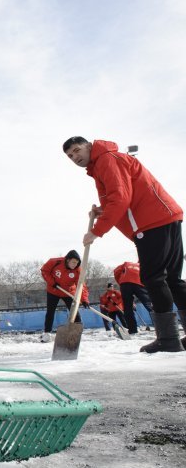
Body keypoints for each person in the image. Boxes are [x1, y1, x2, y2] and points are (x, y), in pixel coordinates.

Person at [64, 136, 185, 353]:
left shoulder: (106, 160)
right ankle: (172, 337)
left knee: (154, 278)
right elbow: (124, 197)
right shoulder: (108, 160)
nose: (74, 157)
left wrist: (96, 231)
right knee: (173, 280)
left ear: (89, 146)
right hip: (165, 217)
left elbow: (121, 198)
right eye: (70, 156)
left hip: (151, 222)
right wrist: (103, 210)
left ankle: (168, 339)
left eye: (76, 150)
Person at [39, 250, 84, 343]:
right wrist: (52, 283)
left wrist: (84, 299)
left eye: (77, 263)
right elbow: (44, 271)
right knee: (50, 311)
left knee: (74, 311)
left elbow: (81, 286)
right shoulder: (54, 262)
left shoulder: (78, 270)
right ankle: (47, 333)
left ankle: (77, 333)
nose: (75, 264)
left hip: (68, 292)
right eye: (73, 262)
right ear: (67, 260)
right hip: (53, 290)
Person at [113, 261, 154, 334]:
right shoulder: (144, 266)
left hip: (125, 284)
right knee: (149, 304)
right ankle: (161, 325)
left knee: (127, 308)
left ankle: (132, 330)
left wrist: (120, 282)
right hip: (139, 283)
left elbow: (116, 271)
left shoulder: (126, 263)